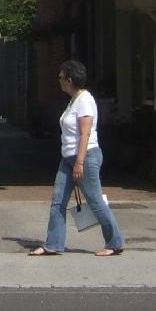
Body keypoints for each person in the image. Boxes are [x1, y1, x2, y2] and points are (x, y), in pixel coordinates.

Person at [29, 59, 126, 256]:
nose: (59, 81)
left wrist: (80, 162)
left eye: (61, 78)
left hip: (85, 156)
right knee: (58, 201)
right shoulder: (73, 101)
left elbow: (85, 133)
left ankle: (115, 242)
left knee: (95, 200)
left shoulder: (85, 100)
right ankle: (53, 244)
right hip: (68, 158)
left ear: (70, 80)